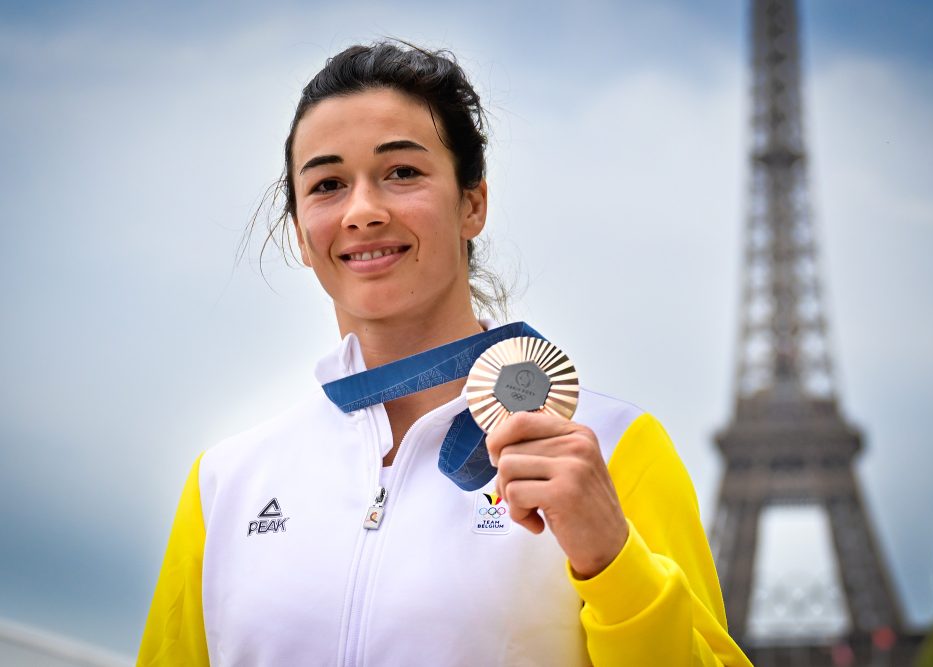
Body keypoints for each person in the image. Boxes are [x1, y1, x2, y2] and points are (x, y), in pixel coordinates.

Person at [138, 41, 751, 666]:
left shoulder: (615, 448)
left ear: (472, 204)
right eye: (327, 184)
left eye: (402, 172)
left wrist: (614, 564)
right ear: (300, 232)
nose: (362, 211)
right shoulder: (226, 482)